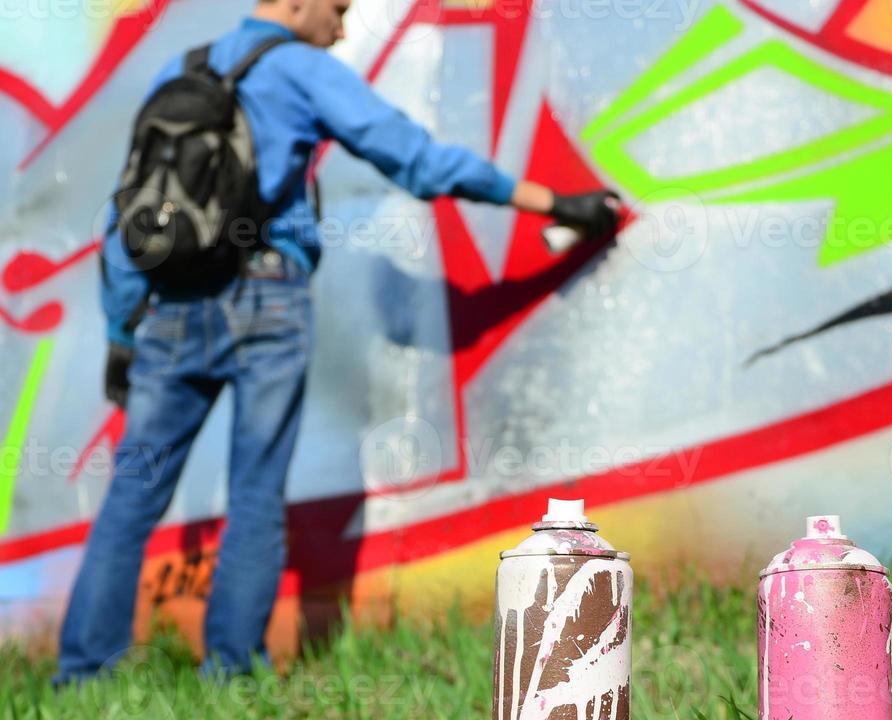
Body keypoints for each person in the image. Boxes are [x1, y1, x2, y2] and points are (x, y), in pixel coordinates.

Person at [55, 0, 620, 683]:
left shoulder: (179, 70)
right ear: (297, 3)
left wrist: (122, 333)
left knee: (132, 492)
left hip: (170, 305)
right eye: (338, 9)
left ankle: (83, 673)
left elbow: (130, 214)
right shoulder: (300, 68)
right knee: (257, 489)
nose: (344, 27)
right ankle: (231, 670)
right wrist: (555, 204)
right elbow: (418, 160)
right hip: (266, 295)